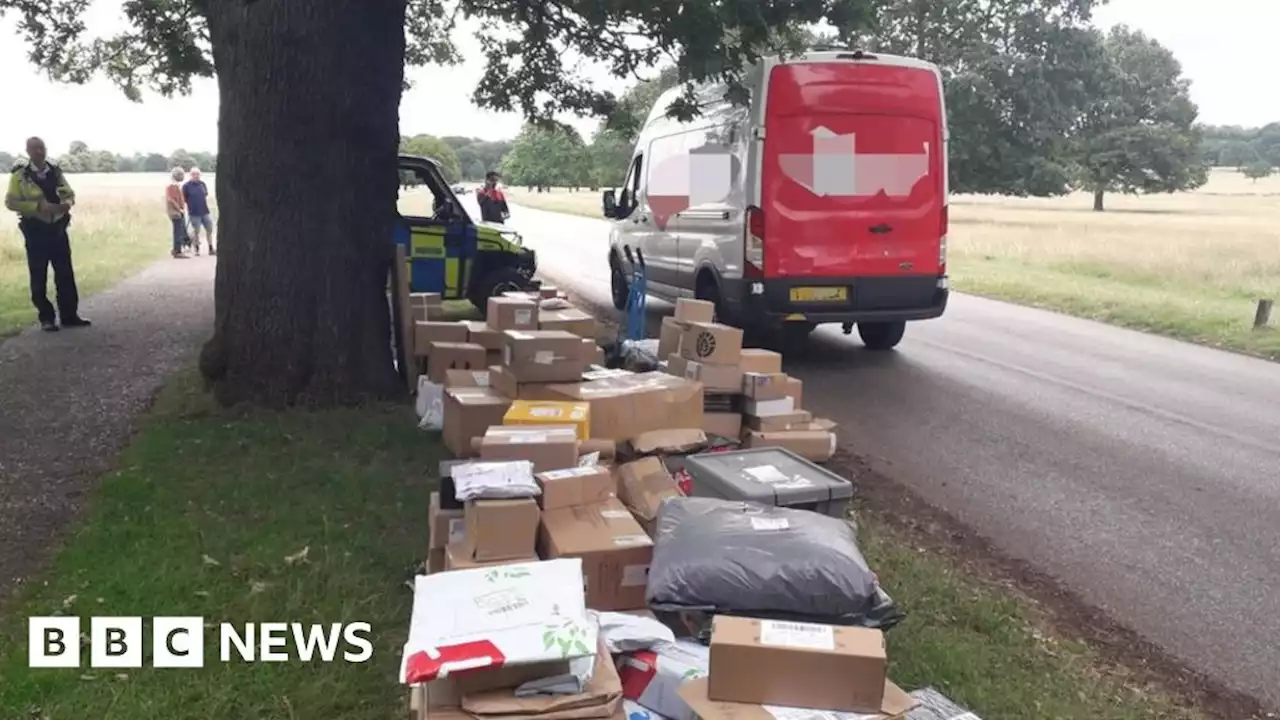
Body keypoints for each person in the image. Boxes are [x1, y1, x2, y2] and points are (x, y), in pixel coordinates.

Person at [4, 136, 90, 331]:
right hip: (35, 230)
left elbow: (69, 193)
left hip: (58, 228)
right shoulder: (19, 176)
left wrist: (66, 205)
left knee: (65, 273)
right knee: (38, 274)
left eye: (41, 148)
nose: (38, 152)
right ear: (27, 151)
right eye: (34, 149)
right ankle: (46, 318)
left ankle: (69, 315)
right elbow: (10, 203)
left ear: (46, 149)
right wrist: (37, 206)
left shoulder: (56, 171)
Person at [183, 166, 215, 256]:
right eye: (194, 174)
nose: (196, 176)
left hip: (205, 211)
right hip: (194, 212)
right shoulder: (186, 186)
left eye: (197, 174)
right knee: (196, 231)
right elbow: (184, 198)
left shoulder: (202, 184)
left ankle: (211, 248)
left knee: (209, 229)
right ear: (190, 175)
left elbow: (205, 195)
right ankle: (196, 248)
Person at [166, 167, 189, 259]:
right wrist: (179, 209)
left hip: (178, 212)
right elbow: (171, 199)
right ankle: (177, 251)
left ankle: (176, 249)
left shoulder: (176, 185)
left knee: (180, 231)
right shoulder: (171, 186)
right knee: (178, 232)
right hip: (175, 212)